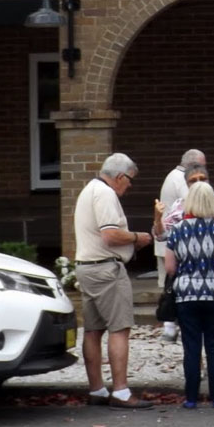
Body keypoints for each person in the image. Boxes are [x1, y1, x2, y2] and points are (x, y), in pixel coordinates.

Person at [73, 152, 154, 409]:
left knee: (93, 331)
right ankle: (120, 391)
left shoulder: (89, 189)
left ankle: (97, 389)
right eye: (129, 180)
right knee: (119, 329)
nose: (129, 186)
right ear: (119, 176)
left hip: (87, 267)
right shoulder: (106, 194)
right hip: (106, 269)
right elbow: (110, 235)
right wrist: (136, 237)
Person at [164, 181, 214, 409]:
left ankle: (191, 397)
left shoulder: (177, 230)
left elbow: (170, 268)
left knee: (191, 346)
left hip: (186, 294)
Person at [156, 148, 205, 343]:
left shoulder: (172, 176)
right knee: (171, 286)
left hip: (169, 239)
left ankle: (170, 328)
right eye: (201, 166)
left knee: (168, 285)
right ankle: (171, 327)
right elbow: (195, 203)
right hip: (177, 242)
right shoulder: (181, 180)